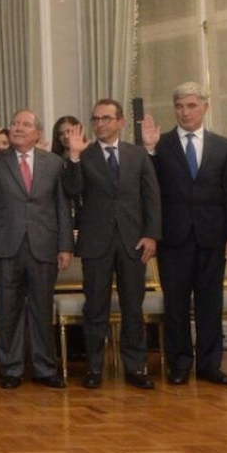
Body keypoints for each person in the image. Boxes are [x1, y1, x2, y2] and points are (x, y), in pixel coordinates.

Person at [141, 81, 227, 386]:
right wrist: (149, 150)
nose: (185, 112)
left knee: (211, 304)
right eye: (180, 106)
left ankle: (210, 365)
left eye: (191, 106)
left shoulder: (223, 146)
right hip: (173, 238)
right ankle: (179, 364)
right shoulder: (161, 145)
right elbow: (149, 189)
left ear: (205, 108)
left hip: (212, 237)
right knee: (176, 305)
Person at [0, 111, 73, 390]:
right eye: (14, 124)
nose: (17, 128)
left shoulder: (54, 163)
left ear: (38, 133)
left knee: (41, 308)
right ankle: (11, 369)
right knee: (8, 309)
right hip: (6, 245)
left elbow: (62, 207)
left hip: (43, 245)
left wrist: (64, 246)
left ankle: (44, 367)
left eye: (25, 124)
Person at [60, 99, 162, 390]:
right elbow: (72, 189)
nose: (100, 124)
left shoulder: (138, 155)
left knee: (133, 305)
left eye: (106, 118)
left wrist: (151, 234)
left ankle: (135, 366)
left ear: (121, 122)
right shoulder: (85, 155)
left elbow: (151, 197)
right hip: (95, 242)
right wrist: (75, 157)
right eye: (96, 119)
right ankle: (94, 367)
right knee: (95, 307)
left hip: (133, 241)